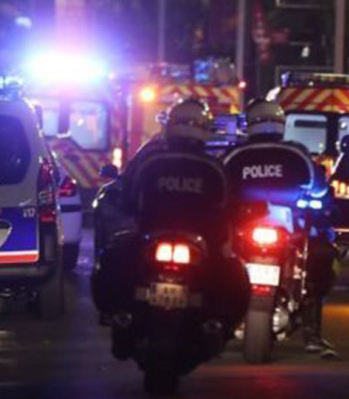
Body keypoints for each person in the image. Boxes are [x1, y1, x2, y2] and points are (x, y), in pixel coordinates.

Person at [91, 98, 250, 358]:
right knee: (233, 274)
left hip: (150, 237)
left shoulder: (150, 161)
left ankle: (118, 315)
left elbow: (129, 198)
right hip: (199, 246)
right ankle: (217, 323)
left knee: (112, 259)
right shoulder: (212, 167)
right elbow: (229, 206)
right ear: (204, 128)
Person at [223, 99, 339, 358]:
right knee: (320, 259)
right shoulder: (295, 153)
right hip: (280, 229)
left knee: (317, 258)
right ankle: (313, 334)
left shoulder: (235, 155)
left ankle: (219, 325)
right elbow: (318, 187)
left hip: (253, 231)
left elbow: (219, 188)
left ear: (249, 124)